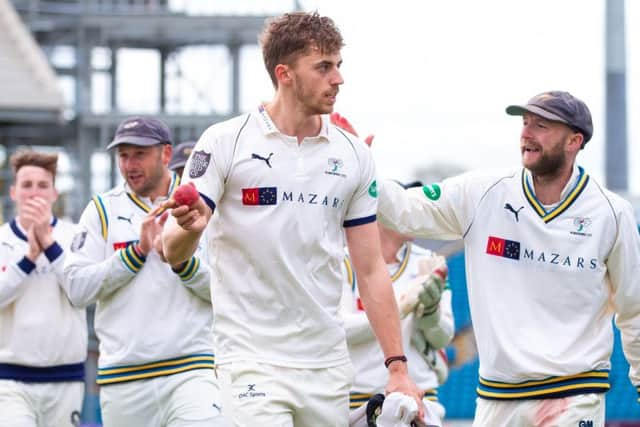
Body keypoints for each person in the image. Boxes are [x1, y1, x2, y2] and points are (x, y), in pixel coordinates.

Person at [162, 11, 424, 426]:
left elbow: (371, 270)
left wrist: (398, 368)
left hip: (326, 364)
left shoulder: (354, 155)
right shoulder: (224, 141)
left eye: (339, 66)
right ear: (284, 73)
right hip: (250, 359)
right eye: (324, 67)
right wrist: (189, 230)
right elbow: (170, 246)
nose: (338, 79)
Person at [372, 91, 640, 426]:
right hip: (497, 398)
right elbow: (405, 210)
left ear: (574, 140)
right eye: (525, 123)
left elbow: (634, 310)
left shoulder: (612, 214)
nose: (526, 133)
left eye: (541, 125)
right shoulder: (484, 193)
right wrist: (356, 170)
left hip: (575, 396)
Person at [63, 117, 228, 427]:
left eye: (139, 154)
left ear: (166, 155)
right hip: (123, 378)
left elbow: (229, 292)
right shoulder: (101, 209)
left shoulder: (203, 205)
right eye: (123, 155)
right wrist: (134, 255)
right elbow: (76, 290)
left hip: (192, 370)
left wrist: (183, 263)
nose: (129, 164)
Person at [342, 191, 454, 427]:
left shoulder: (429, 261)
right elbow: (341, 329)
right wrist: (401, 306)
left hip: (421, 396)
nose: (412, 217)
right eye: (403, 209)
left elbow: (444, 336)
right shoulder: (343, 261)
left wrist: (430, 313)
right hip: (360, 400)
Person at [0, 151, 87, 427]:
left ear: (54, 192)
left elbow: (82, 293)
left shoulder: (75, 237)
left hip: (66, 378)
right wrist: (28, 259)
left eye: (42, 185)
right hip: (10, 379)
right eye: (26, 185)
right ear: (13, 192)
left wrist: (49, 248)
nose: (34, 193)